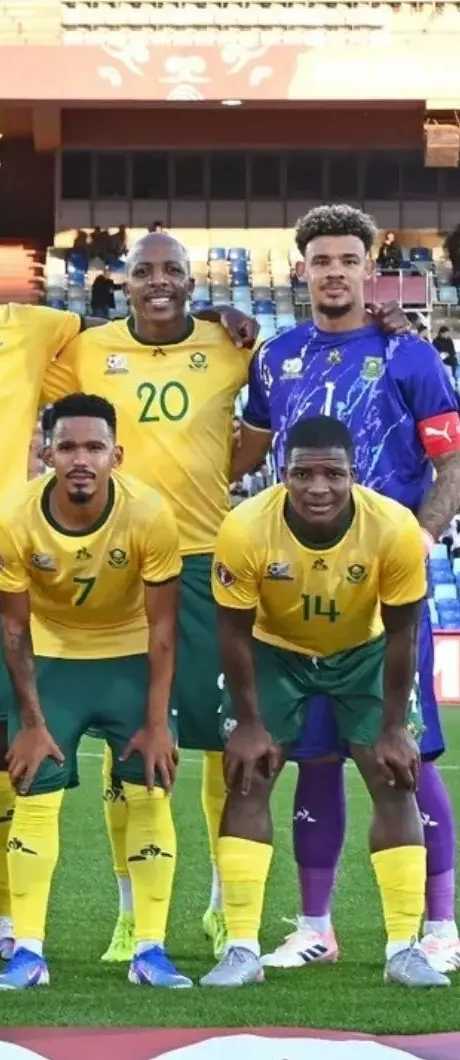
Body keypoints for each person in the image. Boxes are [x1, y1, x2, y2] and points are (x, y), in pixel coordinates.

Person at [0, 207, 256, 968]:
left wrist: (215, 321)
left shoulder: (49, 331)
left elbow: (235, 409)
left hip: (154, 554)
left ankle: (209, 912)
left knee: (194, 741)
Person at [235, 203, 460, 974]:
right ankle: (315, 927)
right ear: (302, 270)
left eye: (348, 261)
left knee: (406, 754)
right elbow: (247, 450)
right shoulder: (275, 357)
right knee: (315, 756)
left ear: (371, 268)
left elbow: (452, 460)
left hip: (384, 586)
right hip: (295, 587)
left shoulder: (410, 357)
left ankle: (440, 926)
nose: (334, 273)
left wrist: (423, 536)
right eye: (322, 261)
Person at [41, 230, 260, 963]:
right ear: (123, 282)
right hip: (116, 561)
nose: (159, 281)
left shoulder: (231, 344)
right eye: (144, 271)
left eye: (173, 270)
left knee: (222, 739)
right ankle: (133, 914)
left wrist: (219, 472)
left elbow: (266, 423)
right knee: (130, 740)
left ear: (193, 283)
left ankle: (223, 907)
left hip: (202, 562)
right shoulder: (86, 348)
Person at [201, 415, 448, 989]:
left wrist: (394, 726)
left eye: (333, 474)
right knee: (248, 776)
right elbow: (232, 632)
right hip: (274, 650)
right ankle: (241, 948)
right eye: (303, 474)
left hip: (364, 651)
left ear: (353, 475)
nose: (318, 487)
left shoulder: (392, 527)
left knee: (393, 778)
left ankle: (404, 949)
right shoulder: (245, 527)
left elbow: (403, 633)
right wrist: (249, 723)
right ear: (281, 474)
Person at [0, 393, 188, 990]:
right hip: (53, 658)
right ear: (46, 453)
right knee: (34, 790)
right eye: (67, 446)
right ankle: (28, 953)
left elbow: (164, 628)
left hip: (129, 655)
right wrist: (31, 721)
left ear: (116, 455)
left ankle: (150, 950)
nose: (81, 459)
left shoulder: (149, 513)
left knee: (150, 791)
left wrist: (156, 723)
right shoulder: (13, 515)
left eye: (94, 447)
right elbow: (13, 629)